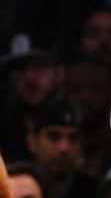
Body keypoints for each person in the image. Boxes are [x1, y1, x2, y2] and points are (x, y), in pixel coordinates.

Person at [0, 35, 64, 164]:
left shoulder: (78, 119)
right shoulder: (3, 125)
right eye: (20, 69)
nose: (29, 77)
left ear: (58, 72)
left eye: (38, 66)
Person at [27, 99, 97, 198]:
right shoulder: (14, 186)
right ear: (32, 141)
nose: (64, 148)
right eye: (53, 137)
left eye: (73, 138)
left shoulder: (94, 193)